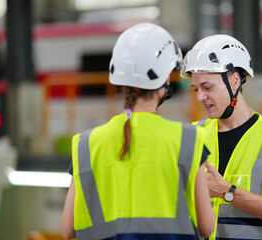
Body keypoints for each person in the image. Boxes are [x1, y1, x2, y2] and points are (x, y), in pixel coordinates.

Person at [60, 23, 216, 240]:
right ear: (163, 81)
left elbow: (67, 230)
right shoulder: (188, 139)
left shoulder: (85, 144)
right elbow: (207, 227)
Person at [180, 34, 262, 240]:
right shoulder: (192, 135)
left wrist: (226, 191)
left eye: (207, 88)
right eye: (196, 89)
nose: (201, 97)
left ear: (235, 81)